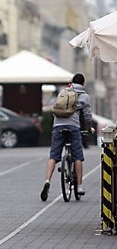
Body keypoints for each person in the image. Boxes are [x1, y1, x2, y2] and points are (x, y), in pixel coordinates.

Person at [41, 73, 93, 201]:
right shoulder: (84, 96)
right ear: (83, 83)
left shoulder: (63, 91)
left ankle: (47, 180)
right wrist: (88, 128)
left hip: (58, 125)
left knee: (53, 155)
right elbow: (87, 116)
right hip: (73, 127)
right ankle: (80, 186)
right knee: (77, 156)